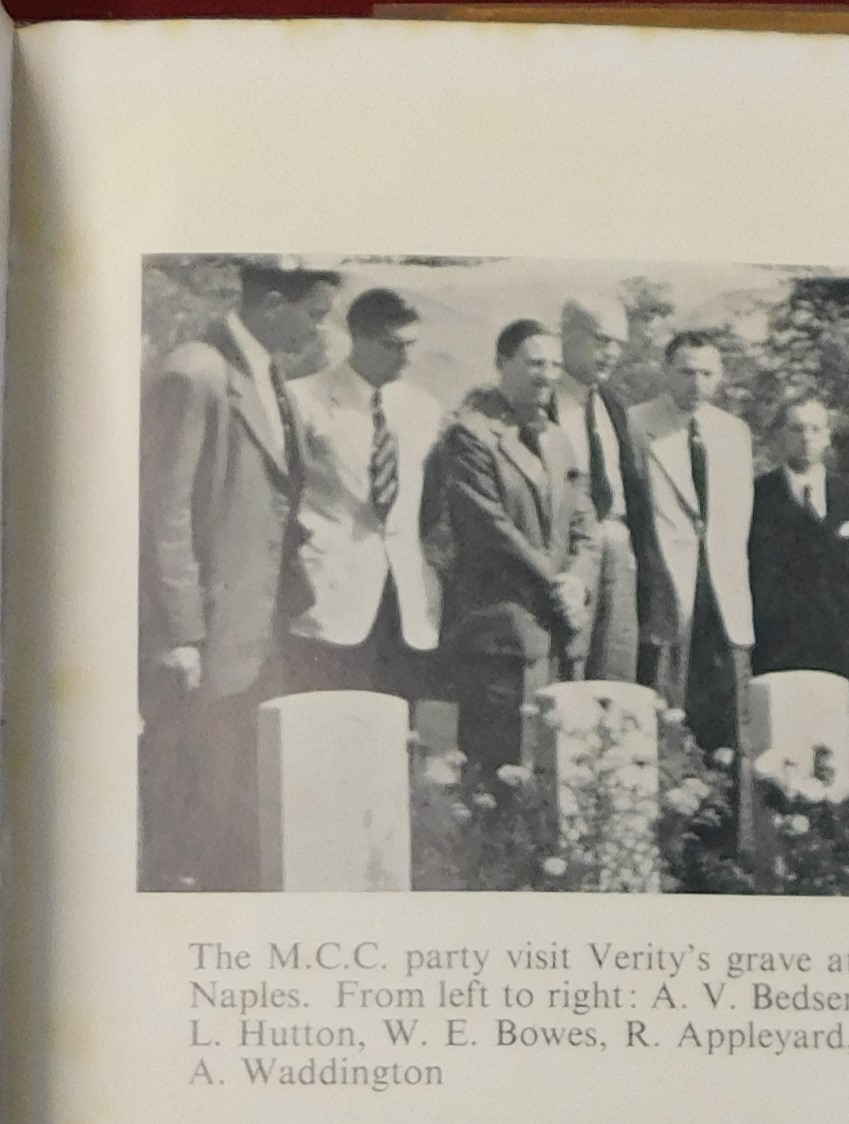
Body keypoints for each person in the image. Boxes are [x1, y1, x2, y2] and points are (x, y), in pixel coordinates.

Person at [138, 257, 341, 890]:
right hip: (210, 635)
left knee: (243, 801)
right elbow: (162, 512)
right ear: (273, 303)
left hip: (262, 629)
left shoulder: (271, 374)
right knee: (193, 803)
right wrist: (182, 635)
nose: (320, 333)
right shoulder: (195, 373)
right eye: (314, 316)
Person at [427, 318, 599, 782]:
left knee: (556, 773)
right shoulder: (471, 436)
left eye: (554, 365)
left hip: (558, 632)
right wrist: (555, 585)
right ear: (502, 363)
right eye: (534, 362)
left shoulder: (560, 441)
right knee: (498, 774)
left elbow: (585, 526)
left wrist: (577, 580)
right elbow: (492, 531)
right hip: (500, 633)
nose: (546, 374)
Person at [285, 287, 443, 701]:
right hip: (330, 588)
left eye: (411, 346)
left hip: (403, 594)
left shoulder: (423, 408)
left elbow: (429, 503)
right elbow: (281, 497)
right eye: (392, 346)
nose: (405, 359)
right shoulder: (303, 399)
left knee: (394, 721)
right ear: (359, 338)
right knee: (327, 713)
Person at [628, 333, 755, 768]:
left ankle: (719, 821)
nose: (696, 382)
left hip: (721, 588)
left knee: (722, 711)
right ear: (666, 372)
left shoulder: (734, 432)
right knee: (663, 700)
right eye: (686, 372)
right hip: (664, 582)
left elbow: (737, 519)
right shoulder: (636, 424)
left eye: (706, 373)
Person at [555, 294, 649, 682]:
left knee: (615, 666)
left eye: (619, 344)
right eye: (602, 340)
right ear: (568, 337)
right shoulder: (544, 402)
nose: (611, 353)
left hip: (617, 546)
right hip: (568, 553)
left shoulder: (613, 405)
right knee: (569, 662)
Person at [748, 394, 849, 680]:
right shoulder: (756, 497)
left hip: (839, 642)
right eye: (797, 429)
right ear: (781, 436)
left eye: (815, 429)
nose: (806, 438)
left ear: (827, 436)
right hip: (778, 643)